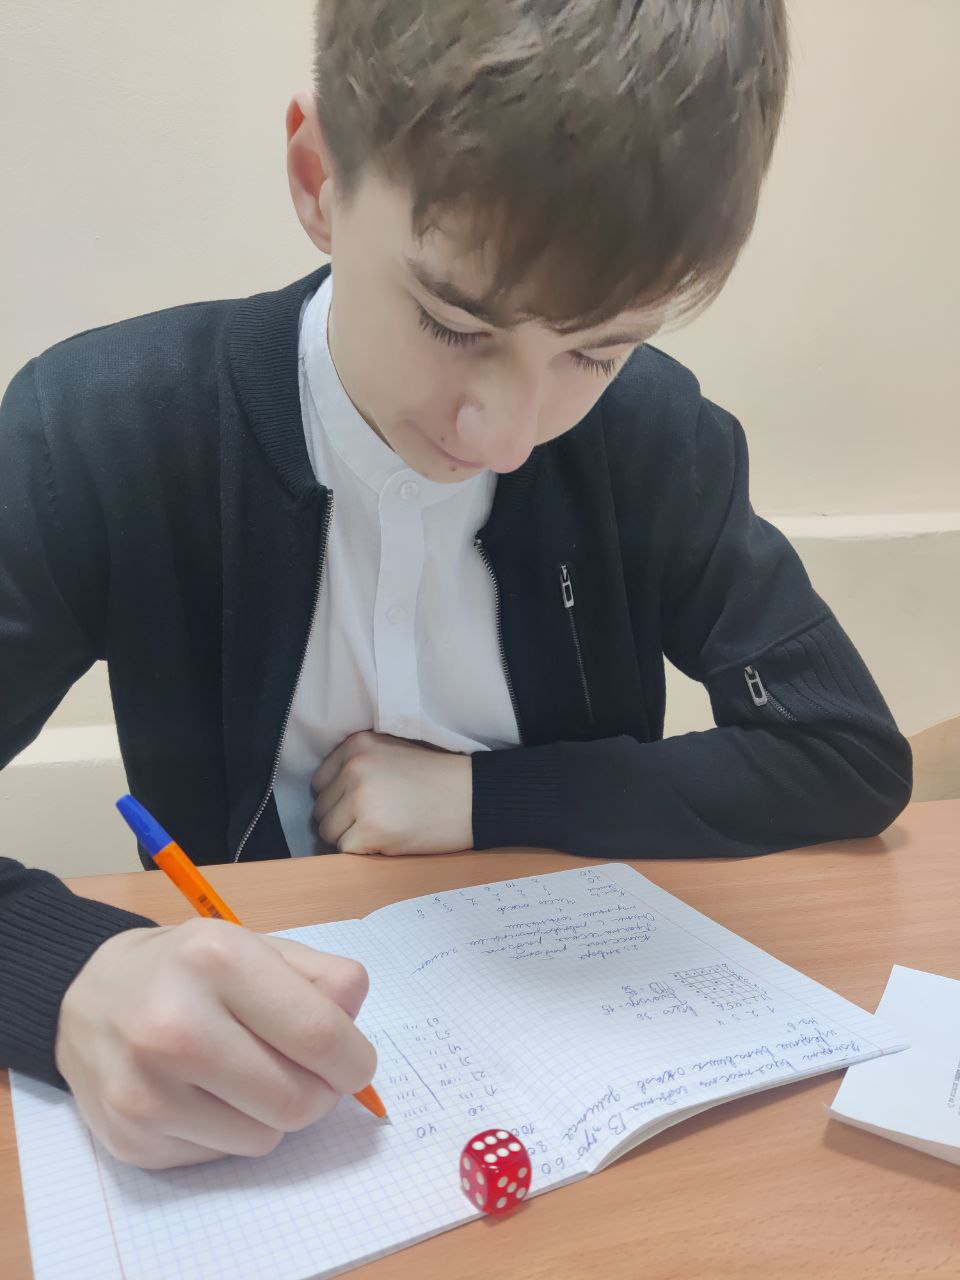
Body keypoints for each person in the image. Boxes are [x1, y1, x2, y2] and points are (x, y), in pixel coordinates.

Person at [0, 0, 910, 1169]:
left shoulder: (649, 437)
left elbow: (844, 750)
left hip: (595, 1090)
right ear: (319, 178)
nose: (507, 437)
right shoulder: (104, 432)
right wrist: (69, 973)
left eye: (596, 349)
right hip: (254, 1109)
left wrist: (490, 797)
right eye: (452, 323)